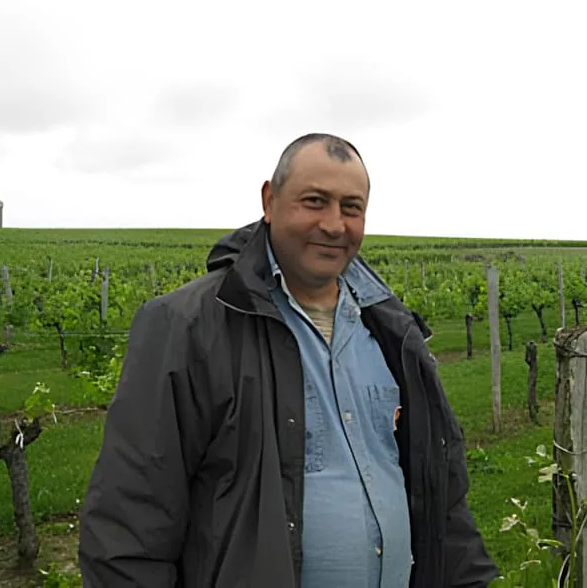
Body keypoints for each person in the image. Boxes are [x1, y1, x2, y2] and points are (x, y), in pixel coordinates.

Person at [78, 133, 499, 587]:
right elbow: (129, 525)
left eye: (351, 207)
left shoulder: (393, 331)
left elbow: (443, 496)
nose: (335, 224)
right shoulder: (189, 326)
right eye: (315, 201)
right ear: (270, 200)